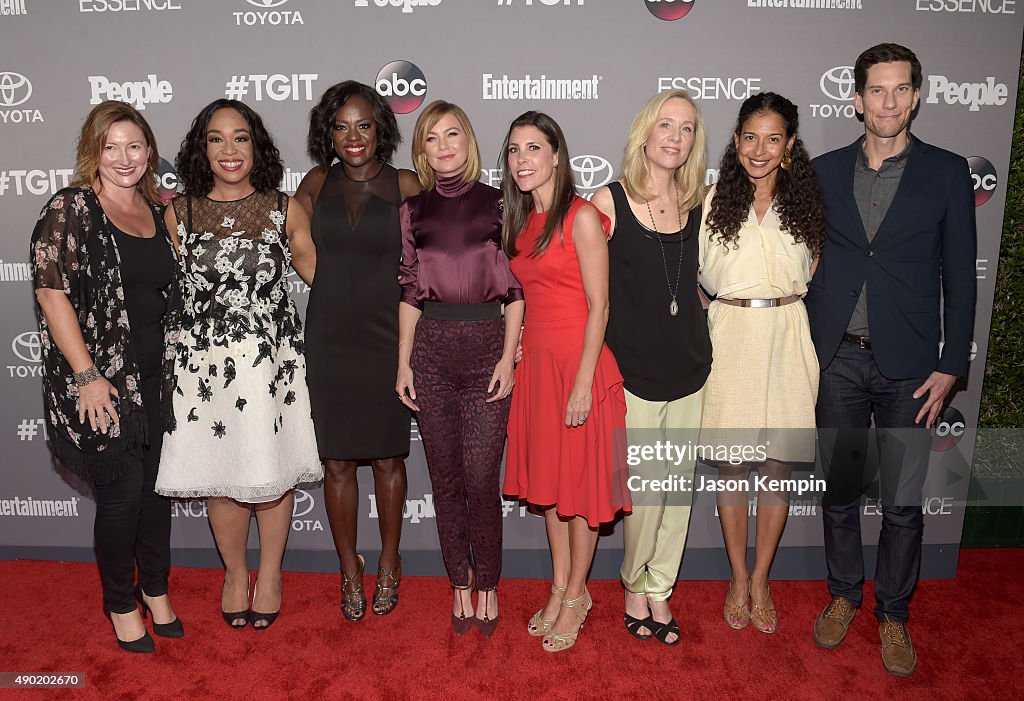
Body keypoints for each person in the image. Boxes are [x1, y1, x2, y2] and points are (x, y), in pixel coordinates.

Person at [807, 43, 976, 677]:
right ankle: (844, 596)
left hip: (911, 366)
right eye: (876, 90)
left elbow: (961, 275)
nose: (889, 102)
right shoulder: (820, 171)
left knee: (903, 501)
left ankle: (894, 614)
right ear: (856, 99)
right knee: (842, 493)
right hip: (839, 364)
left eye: (901, 89)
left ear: (917, 96)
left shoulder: (948, 173)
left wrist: (952, 361)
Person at [156, 99, 322, 631]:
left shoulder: (284, 207)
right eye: (216, 138)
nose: (229, 150)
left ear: (258, 146)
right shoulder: (177, 212)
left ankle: (270, 573)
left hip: (270, 366)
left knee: (270, 471)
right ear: (200, 148)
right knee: (221, 474)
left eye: (241, 137)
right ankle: (235, 572)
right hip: (203, 367)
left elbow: (325, 280)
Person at [30, 100, 181, 653]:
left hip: (154, 377)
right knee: (122, 497)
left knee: (155, 495)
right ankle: (120, 600)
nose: (124, 157)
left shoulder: (152, 207)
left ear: (149, 153)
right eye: (111, 146)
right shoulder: (73, 207)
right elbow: (51, 292)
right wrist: (88, 375)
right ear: (92, 150)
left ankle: (158, 590)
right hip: (98, 379)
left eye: (134, 146)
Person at [500, 111, 630, 652]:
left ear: (557, 155)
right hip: (538, 371)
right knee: (551, 491)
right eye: (514, 150)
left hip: (581, 369)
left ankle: (578, 594)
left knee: (579, 491)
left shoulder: (581, 217)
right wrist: (520, 345)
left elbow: (599, 307)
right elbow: (526, 295)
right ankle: (559, 585)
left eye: (534, 148)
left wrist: (581, 383)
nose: (523, 159)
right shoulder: (520, 222)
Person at [395, 100, 524, 636]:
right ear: (421, 150)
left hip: (487, 344)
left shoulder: (500, 204)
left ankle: (490, 580)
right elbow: (408, 290)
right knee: (445, 478)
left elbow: (516, 289)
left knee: (479, 475)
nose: (444, 145)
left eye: (453, 134)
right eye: (432, 137)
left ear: (470, 142)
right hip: (430, 351)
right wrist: (402, 362)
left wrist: (508, 354)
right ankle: (460, 581)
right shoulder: (412, 211)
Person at [699, 92, 825, 635]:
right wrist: (722, 310)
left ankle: (761, 579)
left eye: (773, 138)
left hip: (787, 337)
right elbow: (695, 275)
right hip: (730, 339)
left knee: (775, 470)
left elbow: (813, 273)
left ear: (790, 144)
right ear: (735, 140)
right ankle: (735, 575)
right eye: (750, 136)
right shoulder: (708, 201)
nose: (759, 149)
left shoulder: (806, 205)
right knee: (732, 467)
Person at [294, 81, 421, 621]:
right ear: (329, 132)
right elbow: (281, 231)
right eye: (341, 126)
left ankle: (391, 562)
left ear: (381, 129)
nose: (353, 136)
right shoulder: (315, 183)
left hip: (389, 340)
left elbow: (444, 251)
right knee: (338, 462)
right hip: (330, 339)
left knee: (390, 459)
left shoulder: (407, 184)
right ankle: (350, 570)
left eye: (364, 124)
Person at [591, 89, 712, 646]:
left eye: (687, 129)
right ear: (645, 132)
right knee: (643, 493)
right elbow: (581, 289)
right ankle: (632, 584)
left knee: (678, 493)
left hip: (690, 369)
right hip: (632, 377)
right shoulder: (608, 201)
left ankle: (660, 586)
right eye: (666, 124)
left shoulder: (700, 204)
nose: (675, 137)